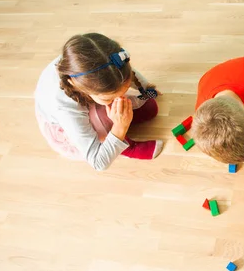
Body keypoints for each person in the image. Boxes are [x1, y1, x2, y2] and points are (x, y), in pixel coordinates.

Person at [35, 33, 163, 171]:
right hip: (67, 126)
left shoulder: (102, 64)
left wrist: (145, 87)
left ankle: (113, 120)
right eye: (109, 98)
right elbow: (98, 162)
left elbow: (126, 72)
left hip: (88, 98)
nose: (117, 100)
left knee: (150, 108)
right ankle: (126, 147)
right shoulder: (66, 109)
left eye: (123, 91)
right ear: (76, 85)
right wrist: (120, 127)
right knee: (102, 120)